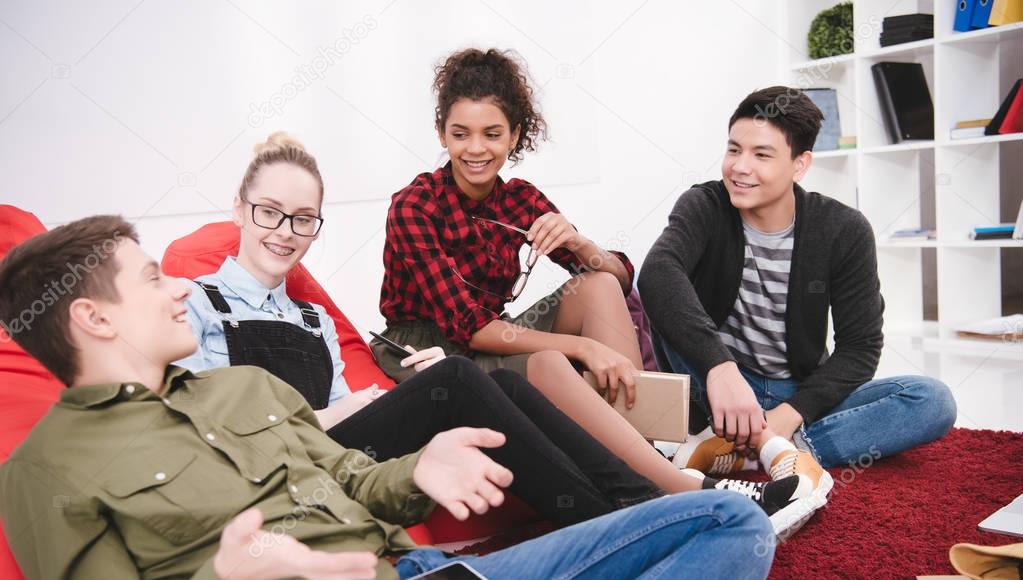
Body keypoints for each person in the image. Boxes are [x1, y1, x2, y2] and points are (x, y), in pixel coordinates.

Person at [0, 216, 844, 580]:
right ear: (93, 316)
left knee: (725, 526)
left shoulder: (243, 390)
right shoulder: (44, 471)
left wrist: (419, 468)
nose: (177, 283)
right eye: (151, 277)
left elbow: (355, 480)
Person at [373, 48, 814, 526]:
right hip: (432, 349)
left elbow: (621, 277)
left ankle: (644, 455)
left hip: (493, 333)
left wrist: (579, 243)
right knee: (550, 362)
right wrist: (583, 347)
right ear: (443, 134)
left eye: (492, 134)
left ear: (515, 135)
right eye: (460, 134)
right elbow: (471, 329)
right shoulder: (414, 205)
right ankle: (683, 489)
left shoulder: (520, 199)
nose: (475, 148)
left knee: (599, 284)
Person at [175, 132, 673, 526]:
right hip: (280, 463)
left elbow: (351, 418)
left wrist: (371, 400)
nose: (285, 232)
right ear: (238, 209)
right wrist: (330, 414)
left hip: (339, 455)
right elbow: (206, 428)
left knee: (494, 382)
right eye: (269, 213)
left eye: (303, 220)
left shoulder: (314, 318)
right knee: (458, 377)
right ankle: (618, 515)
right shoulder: (195, 303)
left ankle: (637, 494)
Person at [639, 86, 957, 483]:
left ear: (799, 165)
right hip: (719, 390)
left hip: (800, 393)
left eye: (761, 155)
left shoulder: (843, 229)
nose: (740, 167)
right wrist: (721, 370)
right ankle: (773, 449)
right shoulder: (704, 205)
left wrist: (788, 415)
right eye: (734, 149)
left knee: (931, 401)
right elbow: (657, 272)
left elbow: (860, 347)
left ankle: (755, 447)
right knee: (667, 291)